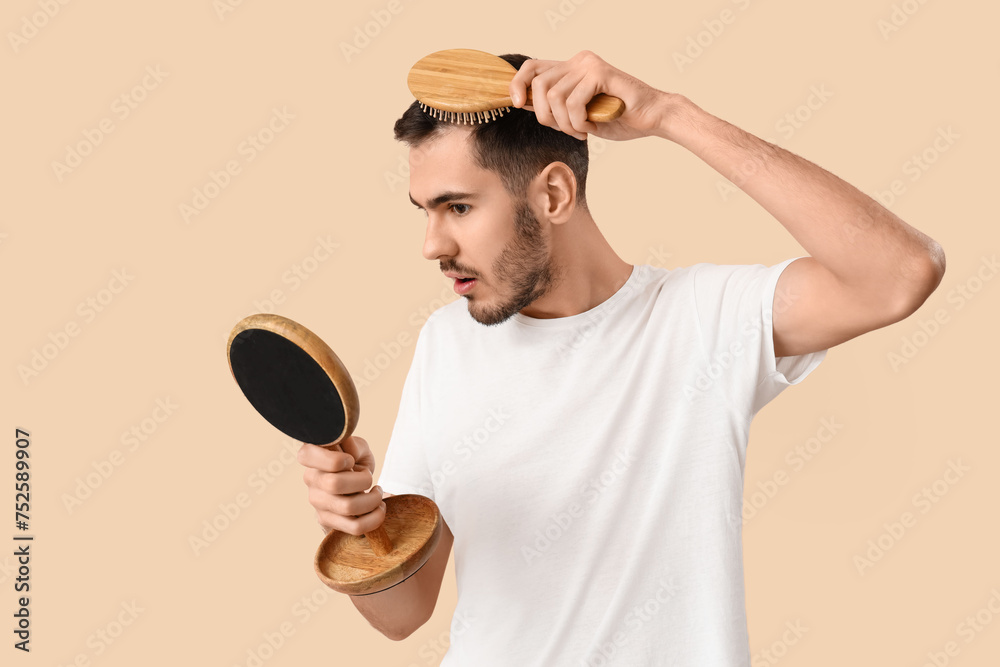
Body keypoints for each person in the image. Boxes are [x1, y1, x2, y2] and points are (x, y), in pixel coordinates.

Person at [296, 51, 945, 664]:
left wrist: (672, 115)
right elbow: (402, 613)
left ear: (552, 195)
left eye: (458, 207)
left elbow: (899, 273)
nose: (432, 244)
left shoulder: (701, 320)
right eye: (425, 212)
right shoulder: (445, 344)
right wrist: (362, 526)